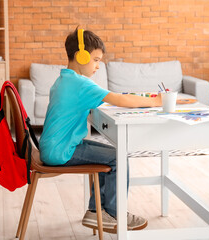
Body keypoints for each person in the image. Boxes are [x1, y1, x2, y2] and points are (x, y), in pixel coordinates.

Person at [39, 27, 162, 233]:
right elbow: (120, 99)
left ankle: (97, 212)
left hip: (54, 147)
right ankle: (114, 213)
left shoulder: (64, 79)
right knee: (118, 156)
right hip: (61, 151)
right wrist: (156, 101)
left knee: (110, 154)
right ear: (81, 56)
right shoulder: (80, 84)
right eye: (96, 60)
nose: (98, 66)